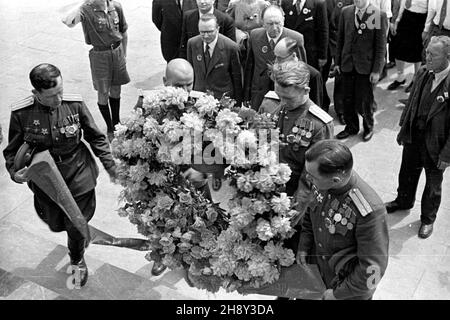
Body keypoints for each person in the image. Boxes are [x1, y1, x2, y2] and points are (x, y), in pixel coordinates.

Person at [3, 63, 117, 287]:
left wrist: (110, 165)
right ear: (36, 93)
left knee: (76, 224)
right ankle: (75, 240)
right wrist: (16, 174)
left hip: (78, 173)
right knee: (55, 223)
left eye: (61, 92)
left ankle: (77, 261)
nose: (58, 100)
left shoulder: (74, 103)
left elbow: (96, 136)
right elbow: (12, 151)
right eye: (52, 96)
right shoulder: (21, 113)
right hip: (46, 180)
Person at [298, 139, 389, 300]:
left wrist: (337, 294)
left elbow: (373, 270)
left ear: (335, 180)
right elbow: (309, 218)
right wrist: (304, 247)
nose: (307, 179)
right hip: (318, 276)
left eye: (312, 176)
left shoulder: (369, 211)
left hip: (346, 290)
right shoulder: (321, 183)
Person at [385, 36, 450, 239]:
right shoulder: (423, 72)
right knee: (407, 173)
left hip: (436, 144)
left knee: (433, 185)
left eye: (433, 54)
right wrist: (404, 130)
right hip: (414, 137)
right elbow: (412, 103)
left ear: (448, 57)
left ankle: (427, 219)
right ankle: (403, 201)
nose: (427, 57)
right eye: (427, 52)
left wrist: (447, 155)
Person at [62, 0, 130, 142]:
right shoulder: (86, 10)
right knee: (103, 92)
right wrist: (83, 4)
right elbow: (67, 20)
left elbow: (123, 31)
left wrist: (124, 55)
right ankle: (109, 127)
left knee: (116, 89)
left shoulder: (115, 6)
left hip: (117, 52)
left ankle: (117, 123)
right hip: (100, 55)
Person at [334, 0, 387, 142]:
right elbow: (340, 39)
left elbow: (380, 46)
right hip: (347, 64)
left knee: (364, 100)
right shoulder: (346, 12)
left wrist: (377, 70)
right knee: (347, 98)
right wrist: (337, 62)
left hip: (365, 66)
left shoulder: (376, 14)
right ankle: (351, 127)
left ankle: (368, 127)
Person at [244, 5, 307, 110]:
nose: (274, 28)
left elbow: (302, 72)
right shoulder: (255, 36)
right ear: (262, 23)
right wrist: (246, 95)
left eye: (277, 23)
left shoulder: (295, 38)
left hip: (284, 94)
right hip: (259, 92)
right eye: (269, 24)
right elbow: (249, 67)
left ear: (283, 20)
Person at [187, 14, 243, 104]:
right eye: (202, 32)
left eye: (209, 32)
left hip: (222, 101)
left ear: (218, 29)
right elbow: (190, 72)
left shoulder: (231, 47)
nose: (205, 36)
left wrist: (238, 104)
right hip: (199, 99)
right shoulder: (192, 44)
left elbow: (237, 79)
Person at [258, 36, 324, 114]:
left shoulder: (313, 75)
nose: (276, 61)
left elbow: (315, 106)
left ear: (293, 55)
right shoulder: (275, 69)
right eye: (275, 56)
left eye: (280, 58)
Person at [388, 0, 428, 93]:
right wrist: (397, 20)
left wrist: (426, 29)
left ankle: (415, 79)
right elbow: (403, 4)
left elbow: (431, 9)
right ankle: (400, 77)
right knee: (398, 47)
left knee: (417, 51)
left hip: (420, 19)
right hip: (406, 16)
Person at [281, 0, 329, 70]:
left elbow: (323, 31)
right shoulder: (286, 3)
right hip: (291, 53)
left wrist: (323, 56)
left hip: (310, 54)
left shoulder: (318, 4)